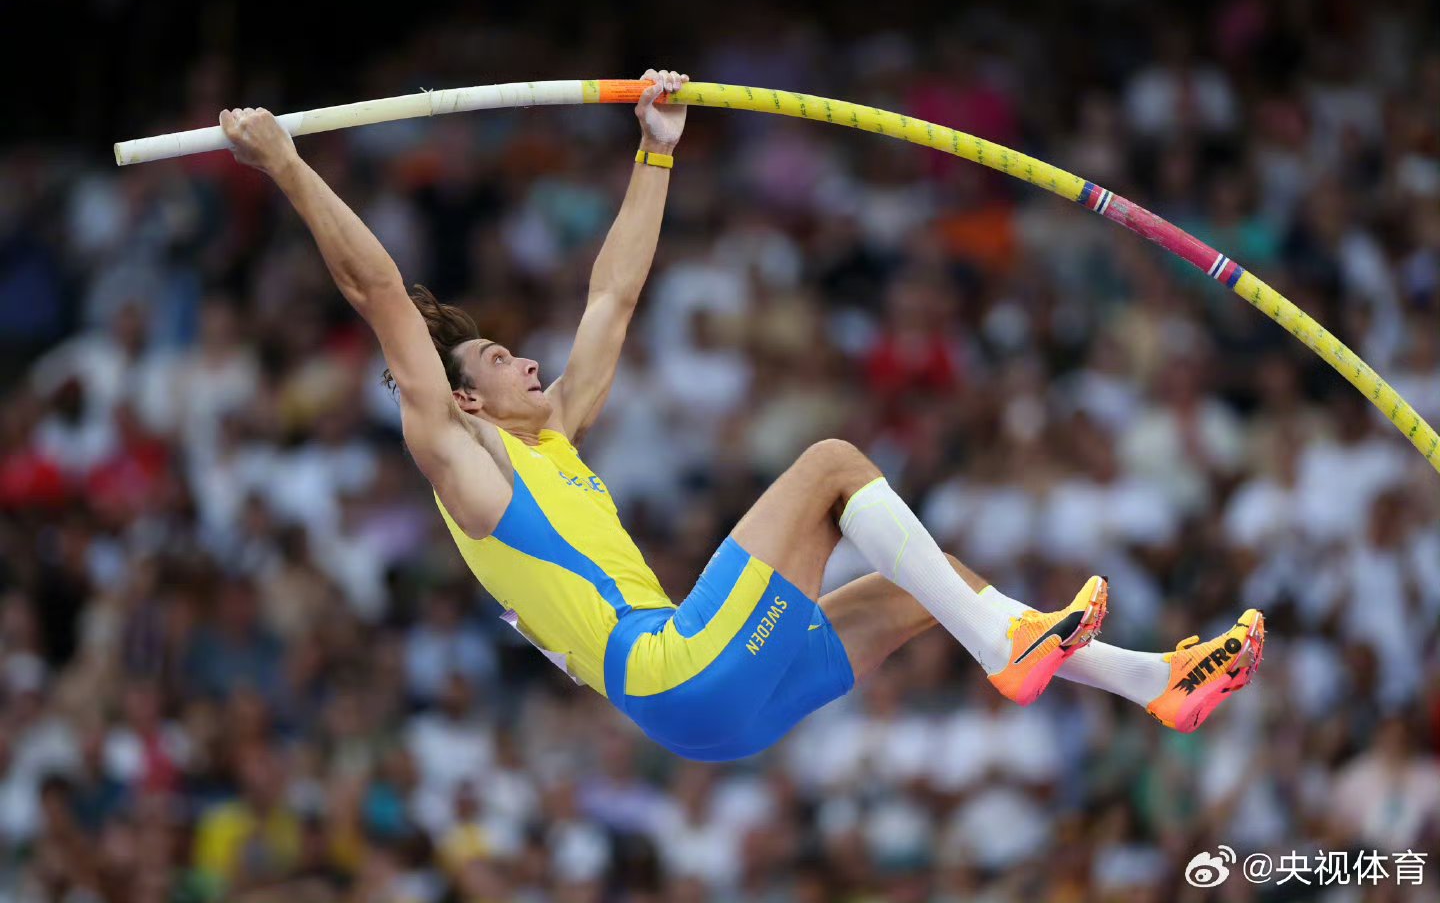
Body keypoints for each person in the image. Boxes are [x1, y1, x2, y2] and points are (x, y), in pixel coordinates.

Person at [215, 68, 1264, 761]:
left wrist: (657, 148)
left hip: (709, 710)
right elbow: (379, 294)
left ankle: (1151, 684)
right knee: (830, 463)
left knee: (918, 590)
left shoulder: (558, 437)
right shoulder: (460, 458)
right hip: (673, 666)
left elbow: (613, 296)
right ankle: (1009, 651)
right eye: (499, 359)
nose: (529, 359)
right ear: (462, 400)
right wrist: (290, 168)